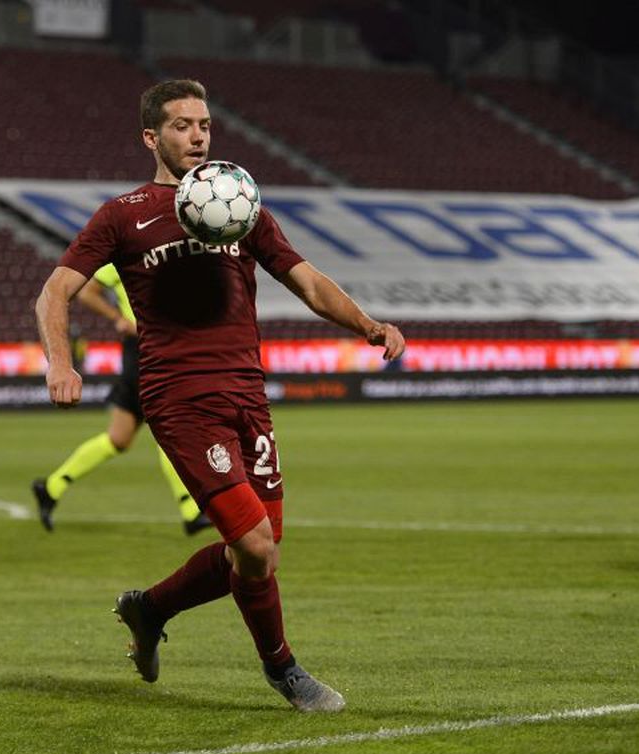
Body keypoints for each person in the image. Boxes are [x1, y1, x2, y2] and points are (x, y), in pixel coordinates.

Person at [34, 79, 405, 711]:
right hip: (179, 400)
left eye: (204, 124)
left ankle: (147, 609)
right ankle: (284, 670)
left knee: (259, 553)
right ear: (152, 137)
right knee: (254, 546)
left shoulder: (240, 201)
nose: (198, 135)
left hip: (246, 397)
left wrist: (367, 323)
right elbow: (54, 291)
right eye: (181, 125)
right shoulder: (123, 214)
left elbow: (307, 281)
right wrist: (60, 364)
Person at [31, 263, 213, 536]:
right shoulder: (122, 257)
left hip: (161, 347)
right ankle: (190, 510)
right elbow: (87, 291)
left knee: (119, 438)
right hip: (142, 350)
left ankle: (51, 487)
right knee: (169, 425)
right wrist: (117, 318)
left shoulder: (161, 252)